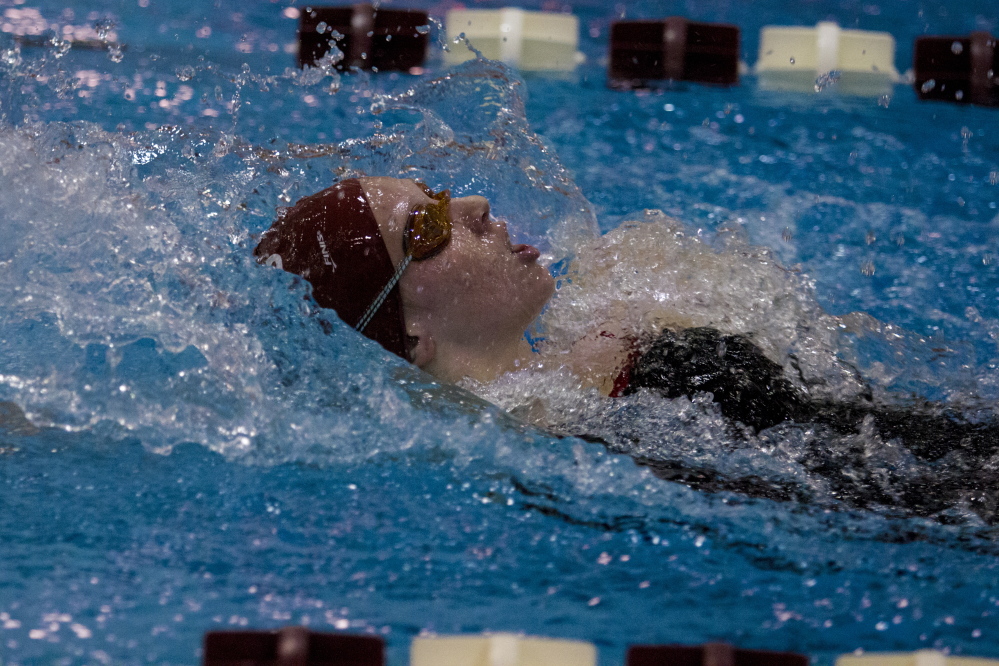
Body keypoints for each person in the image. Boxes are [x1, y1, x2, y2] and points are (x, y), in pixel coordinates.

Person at [256, 177, 999, 519]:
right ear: (408, 332)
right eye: (427, 228)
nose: (475, 208)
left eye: (442, 194)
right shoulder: (527, 439)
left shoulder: (578, 357)